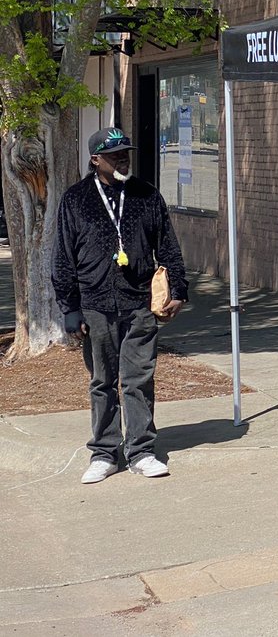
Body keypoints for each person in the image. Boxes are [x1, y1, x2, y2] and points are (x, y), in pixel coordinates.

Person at [53, 128, 188, 484]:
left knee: (138, 379)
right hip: (94, 304)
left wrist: (178, 288)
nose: (123, 159)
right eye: (115, 155)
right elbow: (62, 258)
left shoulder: (145, 195)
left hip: (139, 301)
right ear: (96, 159)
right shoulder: (76, 200)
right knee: (102, 381)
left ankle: (141, 450)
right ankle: (104, 453)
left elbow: (169, 246)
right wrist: (69, 308)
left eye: (125, 152)